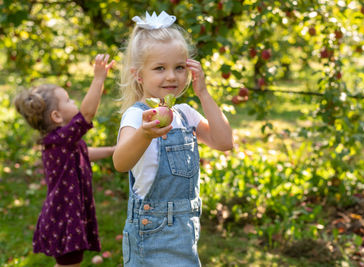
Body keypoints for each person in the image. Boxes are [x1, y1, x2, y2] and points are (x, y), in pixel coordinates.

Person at [113, 11, 233, 266]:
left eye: (179, 67)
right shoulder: (137, 117)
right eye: (160, 68)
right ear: (139, 75)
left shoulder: (185, 114)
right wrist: (145, 135)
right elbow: (120, 162)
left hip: (185, 232)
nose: (171, 76)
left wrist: (203, 93)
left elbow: (224, 142)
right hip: (151, 233)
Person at [14, 54, 115, 267]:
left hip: (67, 212)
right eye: (68, 100)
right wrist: (98, 79)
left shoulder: (62, 142)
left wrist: (113, 151)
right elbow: (87, 114)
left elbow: (84, 153)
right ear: (56, 117)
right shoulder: (60, 140)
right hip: (66, 217)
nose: (74, 102)